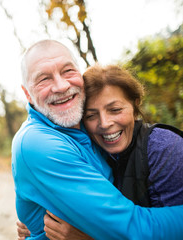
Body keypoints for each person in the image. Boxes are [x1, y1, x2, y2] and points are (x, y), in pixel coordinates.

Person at [11, 39, 183, 240]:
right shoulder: (38, 143)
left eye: (68, 71)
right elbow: (132, 229)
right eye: (43, 79)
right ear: (27, 94)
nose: (61, 85)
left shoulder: (82, 127)